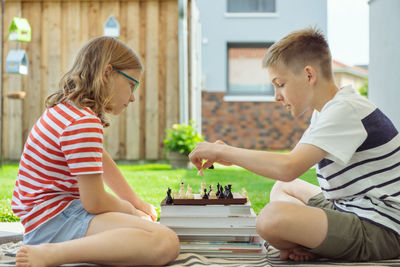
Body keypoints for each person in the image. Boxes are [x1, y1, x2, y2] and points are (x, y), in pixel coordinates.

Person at [189, 27, 400, 262]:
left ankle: (311, 242)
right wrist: (231, 155)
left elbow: (288, 167)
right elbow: (287, 169)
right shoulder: (329, 110)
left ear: (309, 75)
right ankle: (312, 241)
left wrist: (222, 150)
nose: (276, 96)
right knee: (282, 188)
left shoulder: (345, 110)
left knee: (270, 219)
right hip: (348, 207)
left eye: (280, 84)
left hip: (382, 227)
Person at [12, 36, 180, 267]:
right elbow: (95, 201)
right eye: (132, 85)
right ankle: (52, 254)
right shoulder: (82, 123)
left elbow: (98, 158)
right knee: (165, 241)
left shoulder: (67, 110)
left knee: (148, 230)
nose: (132, 97)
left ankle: (55, 249)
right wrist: (130, 210)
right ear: (107, 73)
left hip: (45, 218)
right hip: (55, 222)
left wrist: (136, 202)